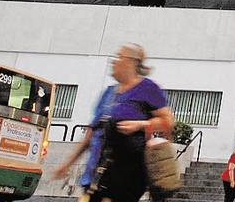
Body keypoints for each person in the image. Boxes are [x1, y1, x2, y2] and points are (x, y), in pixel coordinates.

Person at [56, 43, 175, 202]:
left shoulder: (147, 88)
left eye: (119, 56)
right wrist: (68, 163)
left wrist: (140, 124)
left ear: (133, 62)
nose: (114, 61)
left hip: (127, 176)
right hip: (96, 174)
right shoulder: (109, 93)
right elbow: (91, 134)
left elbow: (167, 121)